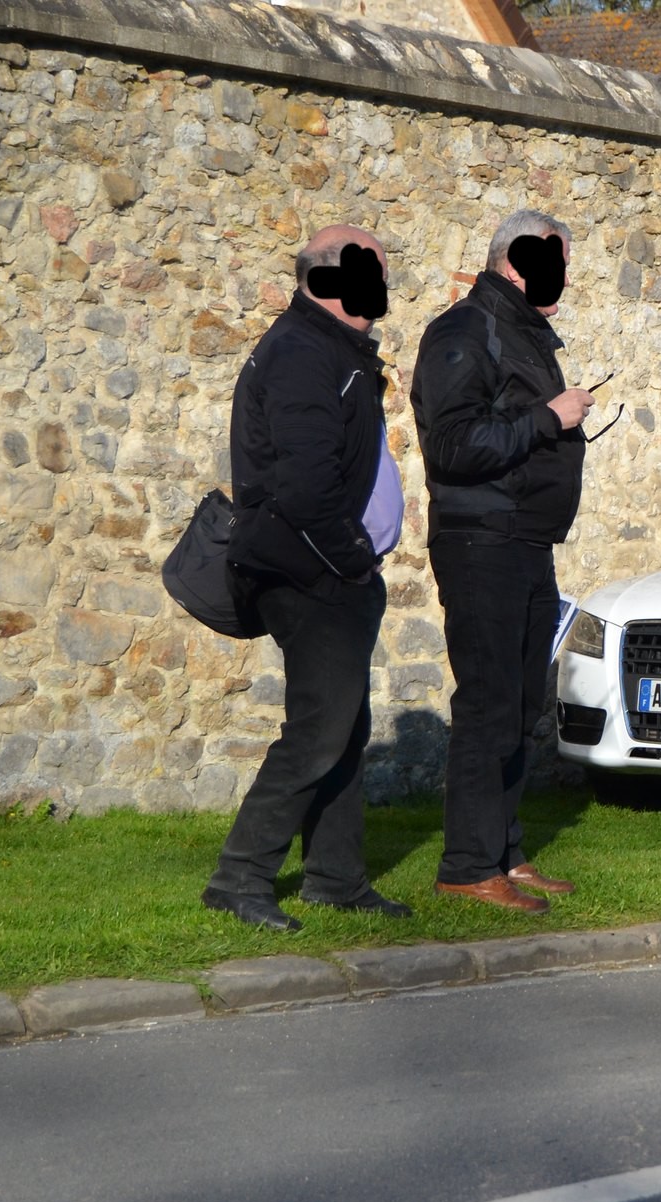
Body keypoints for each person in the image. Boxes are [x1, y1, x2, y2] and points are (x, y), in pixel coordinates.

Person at [203, 225, 411, 931]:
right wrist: (352, 558)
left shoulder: (331, 350)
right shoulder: (300, 352)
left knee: (345, 725)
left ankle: (336, 877)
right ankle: (239, 877)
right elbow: (304, 482)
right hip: (310, 572)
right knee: (319, 730)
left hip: (332, 570)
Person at [410, 209, 594, 913]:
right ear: (516, 261)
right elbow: (453, 446)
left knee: (520, 704)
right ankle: (465, 864)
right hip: (480, 541)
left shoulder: (520, 332)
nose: (565, 281)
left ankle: (505, 853)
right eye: (556, 265)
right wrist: (550, 418)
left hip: (525, 540)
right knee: (487, 701)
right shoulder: (463, 331)